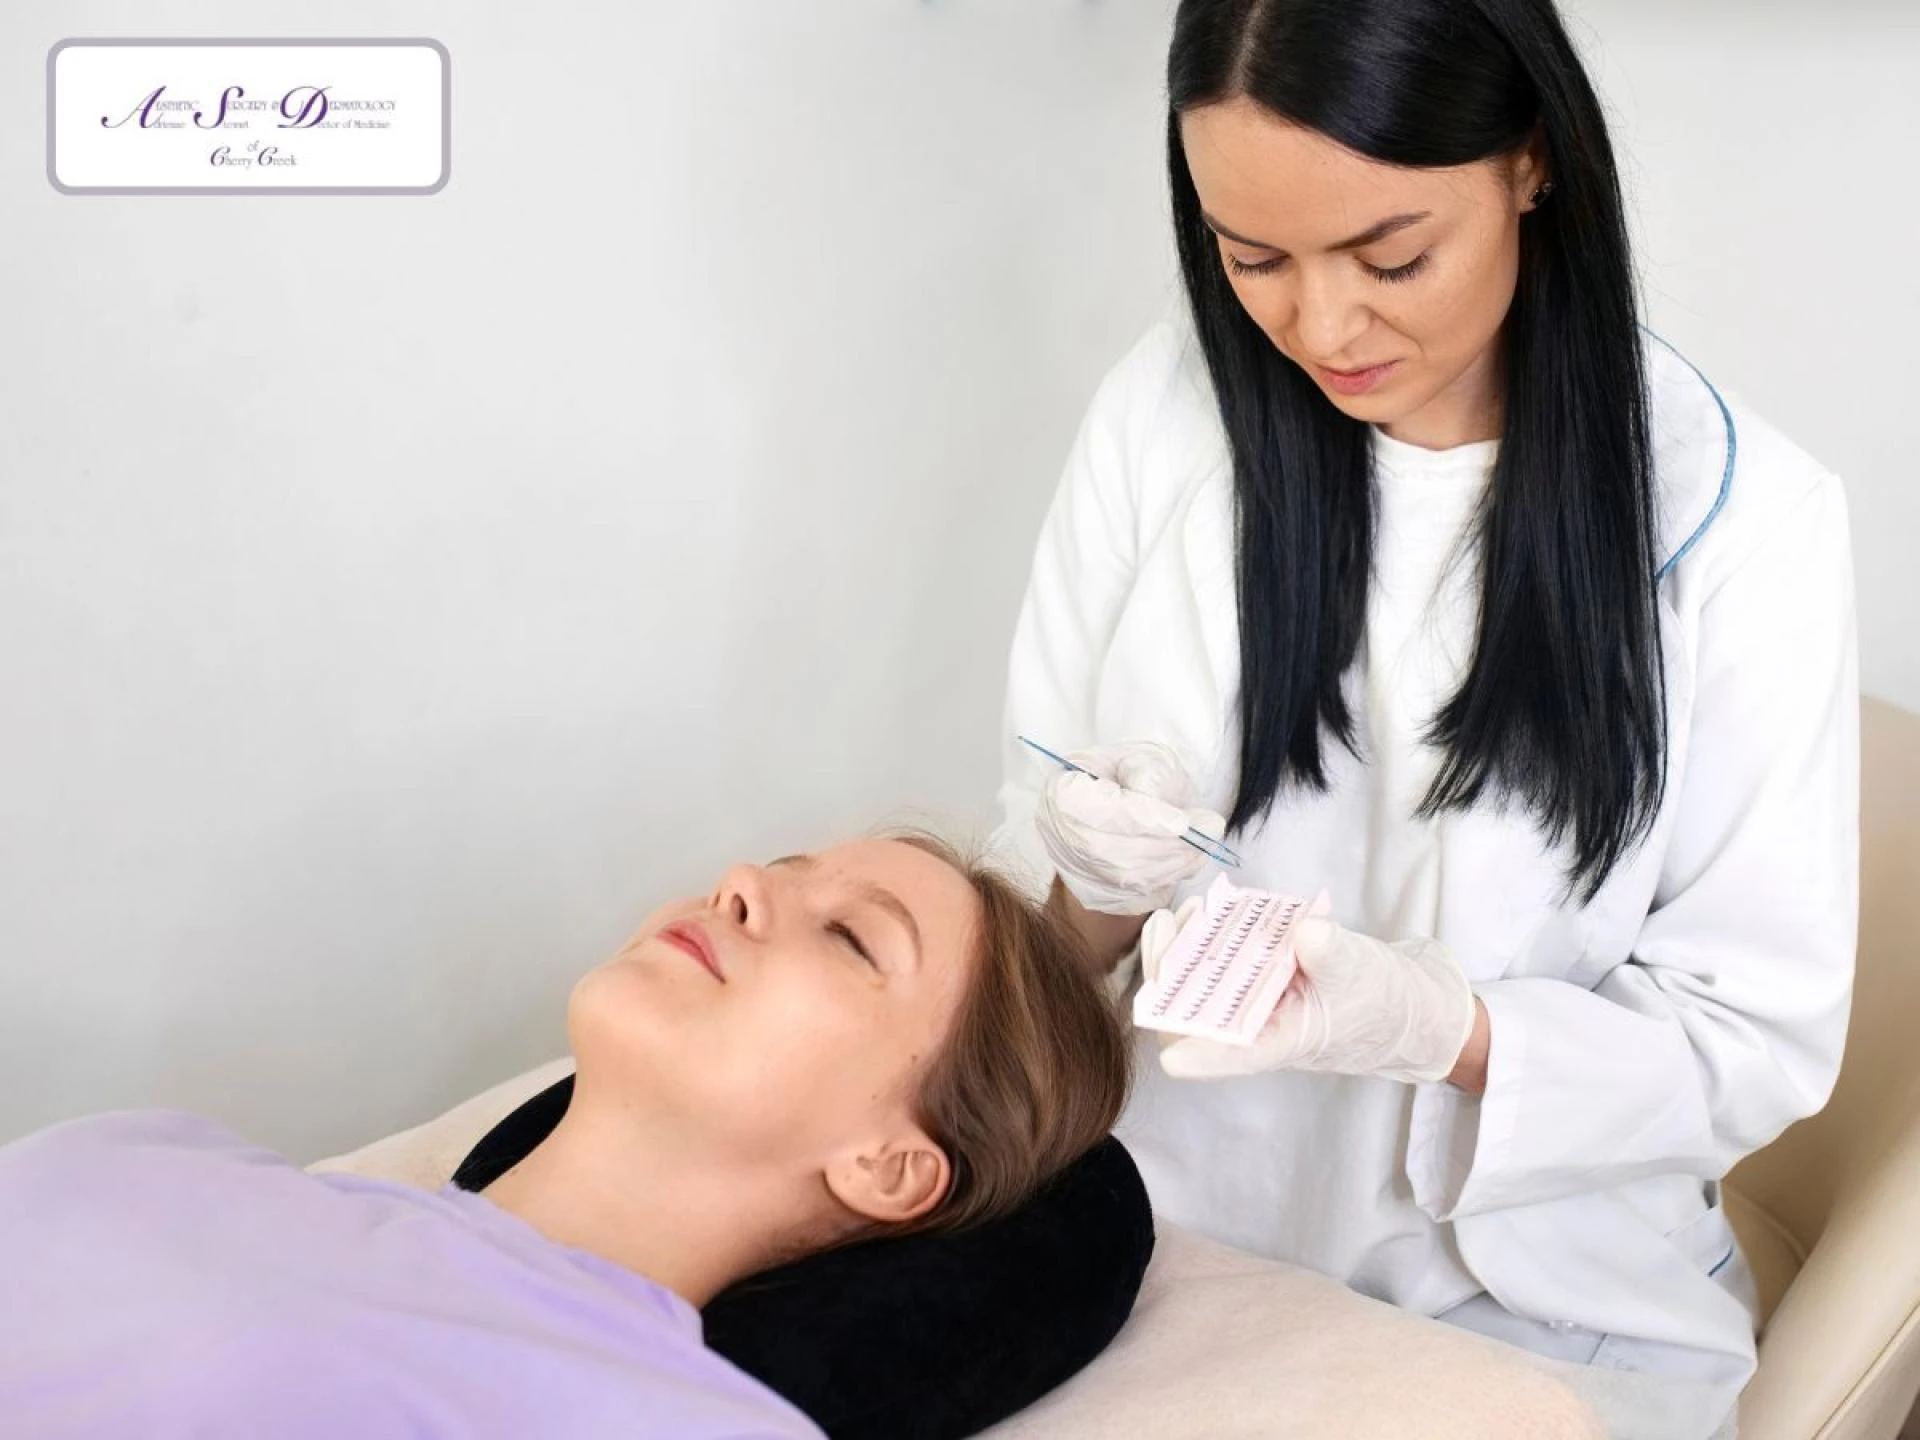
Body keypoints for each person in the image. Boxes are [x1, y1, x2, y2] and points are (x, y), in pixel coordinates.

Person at [992, 2, 1858, 1436]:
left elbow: (1746, 1043)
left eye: (1390, 258)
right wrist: (1091, 888)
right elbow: (1041, 934)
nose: (1321, 328)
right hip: (1154, 1238)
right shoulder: (1167, 413)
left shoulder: (1743, 523)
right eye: (1252, 258)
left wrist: (1431, 1025)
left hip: (1526, 1303)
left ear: (1531, 162)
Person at [0, 834, 1133, 1439]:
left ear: (887, 1166)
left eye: (849, 938)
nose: (740, 882)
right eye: (779, 868)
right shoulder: (162, 1153)